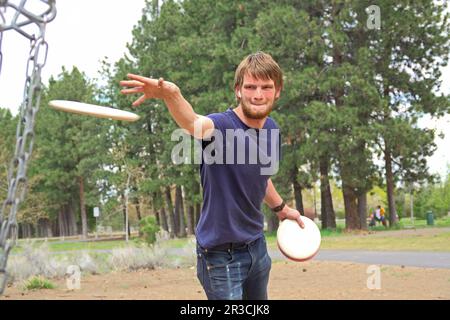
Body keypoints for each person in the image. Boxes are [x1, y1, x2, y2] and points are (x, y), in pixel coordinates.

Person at [120, 51, 304, 300]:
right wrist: (172, 95)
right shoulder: (220, 126)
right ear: (238, 90)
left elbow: (261, 177)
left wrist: (281, 208)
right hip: (221, 258)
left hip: (257, 248)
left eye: (266, 87)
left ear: (277, 90)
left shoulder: (271, 129)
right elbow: (191, 122)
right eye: (250, 86)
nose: (258, 95)